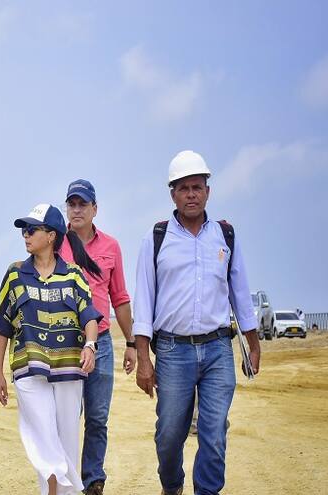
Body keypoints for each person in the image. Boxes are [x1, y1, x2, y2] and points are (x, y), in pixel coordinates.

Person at [132, 150, 260, 495]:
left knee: (214, 433)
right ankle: (172, 485)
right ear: (173, 194)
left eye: (197, 187)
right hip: (173, 351)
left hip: (218, 348)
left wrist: (253, 343)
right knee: (169, 435)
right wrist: (144, 359)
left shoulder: (225, 236)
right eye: (184, 188)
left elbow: (240, 293)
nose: (191, 194)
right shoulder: (156, 238)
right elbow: (144, 301)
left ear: (208, 191)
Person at [0, 203, 101, 495]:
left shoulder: (74, 275)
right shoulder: (15, 274)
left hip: (69, 368)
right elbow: (3, 326)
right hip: (28, 369)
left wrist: (90, 346)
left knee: (66, 439)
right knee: (44, 436)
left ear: (51, 236)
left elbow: (89, 315)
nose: (25, 235)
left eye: (32, 230)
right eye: (24, 230)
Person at [58, 180, 133, 495]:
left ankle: (93, 481)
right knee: (66, 418)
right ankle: (64, 479)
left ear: (94, 209)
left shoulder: (111, 246)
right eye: (72, 204)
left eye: (82, 204)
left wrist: (131, 342)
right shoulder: (55, 242)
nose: (76, 210)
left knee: (98, 417)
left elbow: (120, 297)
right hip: (63, 345)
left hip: (101, 343)